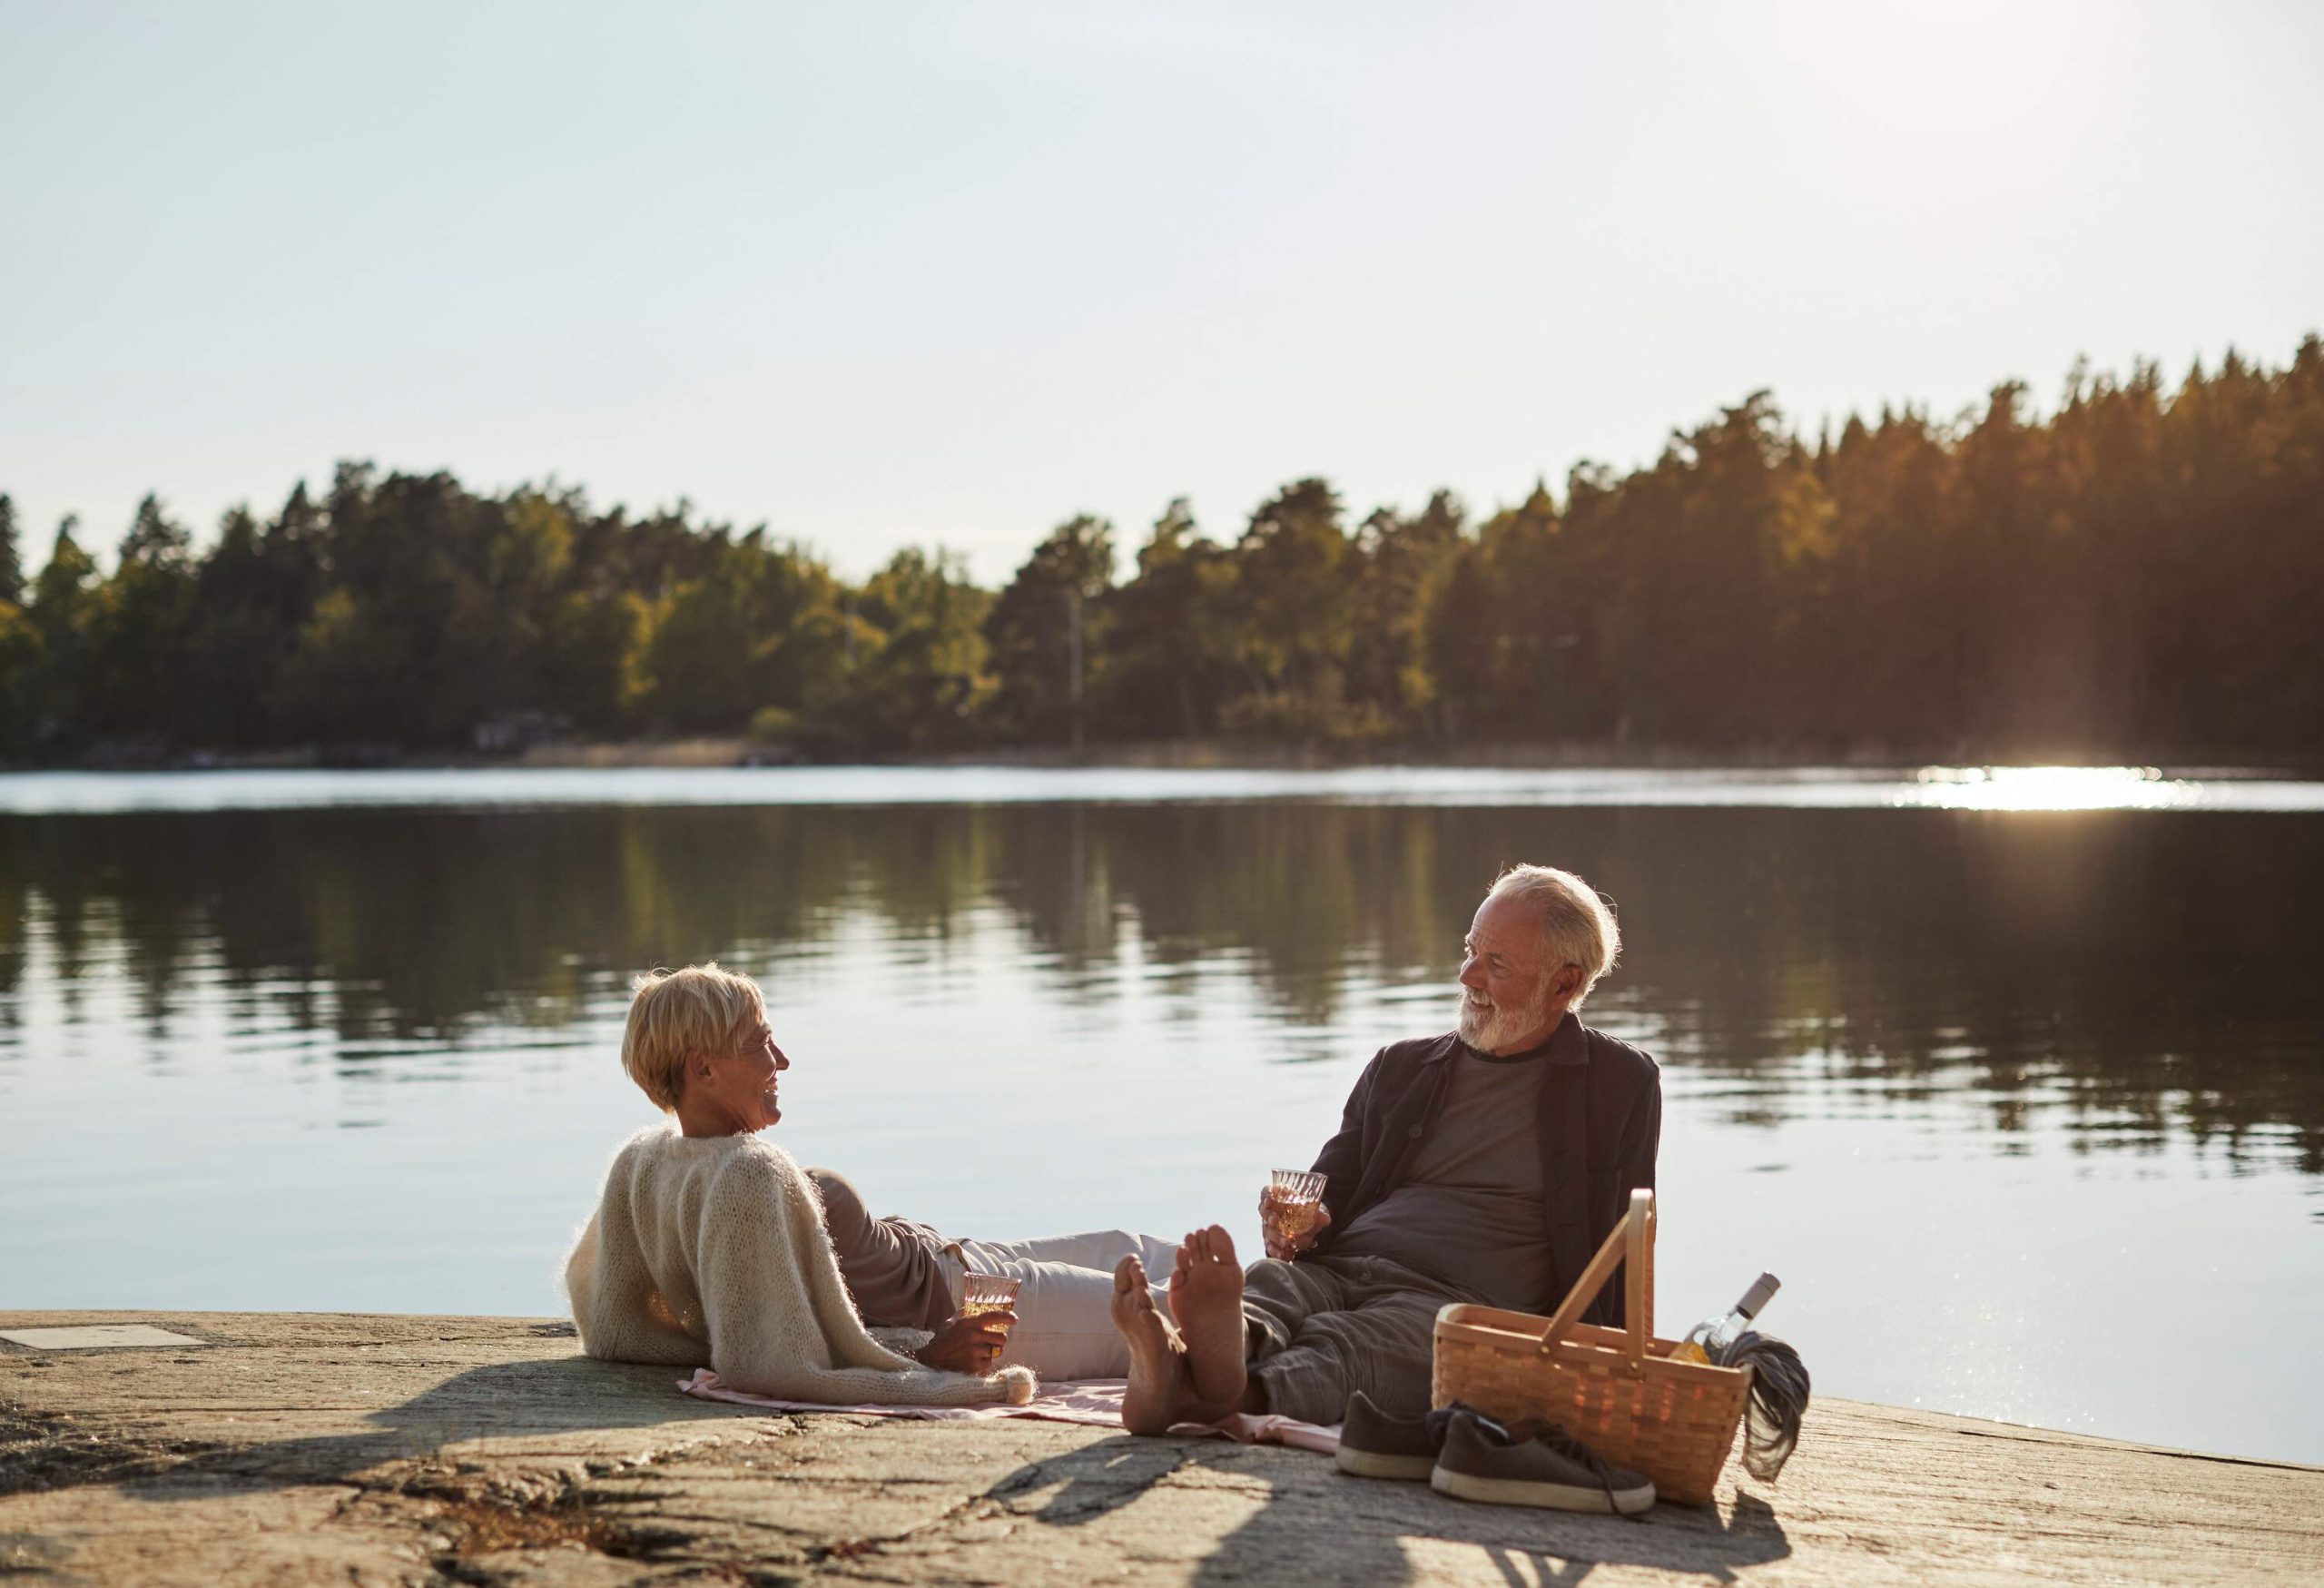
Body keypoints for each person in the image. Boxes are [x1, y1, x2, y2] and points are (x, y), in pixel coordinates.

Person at [1108, 864, 1661, 1435]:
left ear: (1565, 985)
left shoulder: (1618, 1083)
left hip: (1461, 1302)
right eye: (1471, 951)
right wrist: (1296, 1224)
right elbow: (1330, 1186)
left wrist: (1615, 1367)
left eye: (1497, 963)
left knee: (1358, 1346)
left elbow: (1627, 1239)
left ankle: (1203, 1387)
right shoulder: (1402, 1067)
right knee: (1277, 1286)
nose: (1469, 975)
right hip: (1346, 1264)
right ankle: (1216, 1349)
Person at [564, 962, 1178, 1403]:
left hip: (951, 1256)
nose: (781, 1060)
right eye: (760, 1043)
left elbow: (613, 1309)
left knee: (1138, 1246)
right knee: (1178, 1311)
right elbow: (771, 1353)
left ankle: (1280, 1262)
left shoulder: (647, 1160)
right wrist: (926, 1353)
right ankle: (1276, 1294)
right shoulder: (741, 1180)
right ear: (703, 1068)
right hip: (966, 1310)